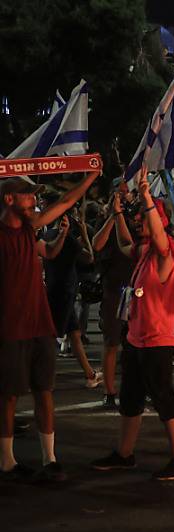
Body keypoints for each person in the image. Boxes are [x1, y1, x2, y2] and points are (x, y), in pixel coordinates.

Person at [91, 179, 174, 481]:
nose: (140, 221)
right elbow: (123, 244)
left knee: (164, 397)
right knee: (131, 397)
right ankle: (124, 454)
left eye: (146, 217)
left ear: (160, 220)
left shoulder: (166, 252)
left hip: (156, 339)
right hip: (136, 337)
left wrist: (148, 197)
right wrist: (118, 213)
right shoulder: (144, 250)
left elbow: (161, 239)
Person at [1, 172, 98, 482]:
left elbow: (67, 201)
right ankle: (6, 462)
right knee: (9, 395)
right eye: (28, 196)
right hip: (9, 327)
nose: (34, 202)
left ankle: (50, 458)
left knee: (45, 390)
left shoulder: (31, 229)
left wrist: (92, 174)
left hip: (40, 323)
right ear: (9, 199)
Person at [39, 196, 101, 389]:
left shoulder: (47, 235)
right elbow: (89, 258)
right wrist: (83, 232)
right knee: (51, 338)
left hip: (54, 287)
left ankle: (90, 374)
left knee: (74, 334)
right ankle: (42, 378)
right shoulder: (68, 239)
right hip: (65, 292)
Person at [91, 187, 137, 410]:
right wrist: (112, 215)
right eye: (118, 194)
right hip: (113, 290)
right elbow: (96, 245)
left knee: (136, 344)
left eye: (126, 193)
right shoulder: (105, 220)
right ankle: (109, 391)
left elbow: (133, 245)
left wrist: (122, 215)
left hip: (135, 290)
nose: (123, 197)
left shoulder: (133, 221)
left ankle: (137, 388)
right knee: (111, 343)